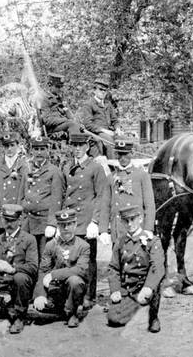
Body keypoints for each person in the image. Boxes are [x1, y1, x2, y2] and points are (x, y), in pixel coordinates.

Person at [46, 133, 110, 310]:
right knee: (67, 258)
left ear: (87, 147)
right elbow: (58, 196)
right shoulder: (66, 167)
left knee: (88, 260)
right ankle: (69, 294)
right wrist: (55, 222)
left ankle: (89, 295)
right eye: (74, 145)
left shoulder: (95, 168)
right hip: (69, 221)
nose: (77, 148)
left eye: (81, 145)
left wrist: (95, 222)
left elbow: (102, 196)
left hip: (87, 220)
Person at [0, 204, 38, 334]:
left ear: (19, 220)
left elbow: (32, 267)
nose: (9, 224)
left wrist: (13, 269)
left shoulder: (29, 239)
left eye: (12, 220)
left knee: (21, 278)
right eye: (6, 220)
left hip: (18, 284)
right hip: (1, 283)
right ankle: (3, 307)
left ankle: (19, 316)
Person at [107, 205, 164, 333]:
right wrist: (115, 289)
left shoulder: (152, 241)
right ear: (122, 222)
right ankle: (137, 310)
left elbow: (157, 268)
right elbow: (113, 267)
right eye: (126, 221)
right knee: (113, 319)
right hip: (128, 288)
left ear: (140, 219)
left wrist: (148, 287)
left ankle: (153, 317)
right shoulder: (120, 242)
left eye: (133, 219)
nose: (130, 224)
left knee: (156, 283)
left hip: (143, 287)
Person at [33, 208, 90, 328]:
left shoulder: (83, 246)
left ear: (75, 224)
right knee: (40, 308)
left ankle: (72, 313)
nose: (66, 228)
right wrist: (40, 294)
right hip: (56, 288)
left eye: (69, 224)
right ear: (58, 226)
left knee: (75, 280)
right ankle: (58, 307)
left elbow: (81, 269)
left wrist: (54, 274)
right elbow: (43, 270)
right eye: (63, 225)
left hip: (73, 288)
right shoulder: (50, 245)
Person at [99, 139, 155, 246]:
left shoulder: (141, 176)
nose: (123, 158)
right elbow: (105, 206)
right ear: (116, 154)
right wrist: (103, 231)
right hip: (118, 231)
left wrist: (148, 229)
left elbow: (149, 204)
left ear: (132, 154)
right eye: (120, 154)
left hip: (137, 230)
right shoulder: (111, 178)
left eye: (126, 154)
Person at [23, 136, 64, 258]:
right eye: (36, 149)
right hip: (28, 223)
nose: (39, 152)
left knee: (43, 258)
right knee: (28, 258)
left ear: (48, 150)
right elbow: (23, 194)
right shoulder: (28, 169)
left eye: (42, 149)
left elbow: (57, 200)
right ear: (32, 151)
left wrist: (52, 223)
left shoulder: (54, 171)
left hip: (43, 223)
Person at [77, 78, 119, 157]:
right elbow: (88, 125)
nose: (103, 92)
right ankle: (113, 167)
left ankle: (125, 166)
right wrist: (104, 131)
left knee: (124, 140)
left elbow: (115, 120)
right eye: (100, 89)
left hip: (110, 131)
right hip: (97, 133)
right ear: (94, 90)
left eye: (105, 90)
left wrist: (118, 128)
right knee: (109, 142)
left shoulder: (108, 104)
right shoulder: (89, 104)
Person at [0, 133, 29, 229]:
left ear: (18, 146)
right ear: (2, 148)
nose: (9, 149)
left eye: (12, 145)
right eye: (6, 146)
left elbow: (25, 192)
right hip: (1, 214)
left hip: (16, 213)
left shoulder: (24, 166)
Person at [40, 73, 82, 138]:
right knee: (72, 124)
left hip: (63, 124)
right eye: (57, 86)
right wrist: (64, 120)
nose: (60, 89)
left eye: (61, 86)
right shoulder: (45, 99)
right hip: (52, 129)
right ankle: (76, 146)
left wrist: (66, 109)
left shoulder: (61, 98)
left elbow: (71, 117)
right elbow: (47, 120)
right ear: (50, 85)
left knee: (80, 127)